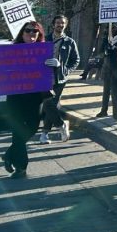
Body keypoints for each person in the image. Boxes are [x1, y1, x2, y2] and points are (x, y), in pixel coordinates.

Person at [3, 21, 50, 178]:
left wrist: (53, 65)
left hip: (34, 97)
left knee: (32, 127)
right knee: (17, 131)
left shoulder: (43, 51)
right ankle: (21, 168)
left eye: (35, 31)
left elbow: (48, 74)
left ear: (39, 34)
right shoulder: (11, 51)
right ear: (22, 33)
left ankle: (9, 154)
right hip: (15, 97)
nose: (32, 34)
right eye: (28, 31)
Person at [40, 14, 79, 143]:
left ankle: (44, 134)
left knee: (49, 104)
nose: (60, 25)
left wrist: (65, 69)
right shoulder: (45, 40)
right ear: (53, 24)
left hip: (59, 78)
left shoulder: (69, 42)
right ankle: (61, 125)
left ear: (65, 25)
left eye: (62, 23)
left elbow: (76, 60)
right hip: (44, 77)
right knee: (50, 104)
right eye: (57, 23)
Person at [97, 23, 117, 118]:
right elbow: (100, 52)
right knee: (106, 91)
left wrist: (114, 49)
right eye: (110, 29)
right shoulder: (107, 39)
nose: (111, 30)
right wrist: (105, 50)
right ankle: (104, 110)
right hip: (107, 68)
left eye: (114, 28)